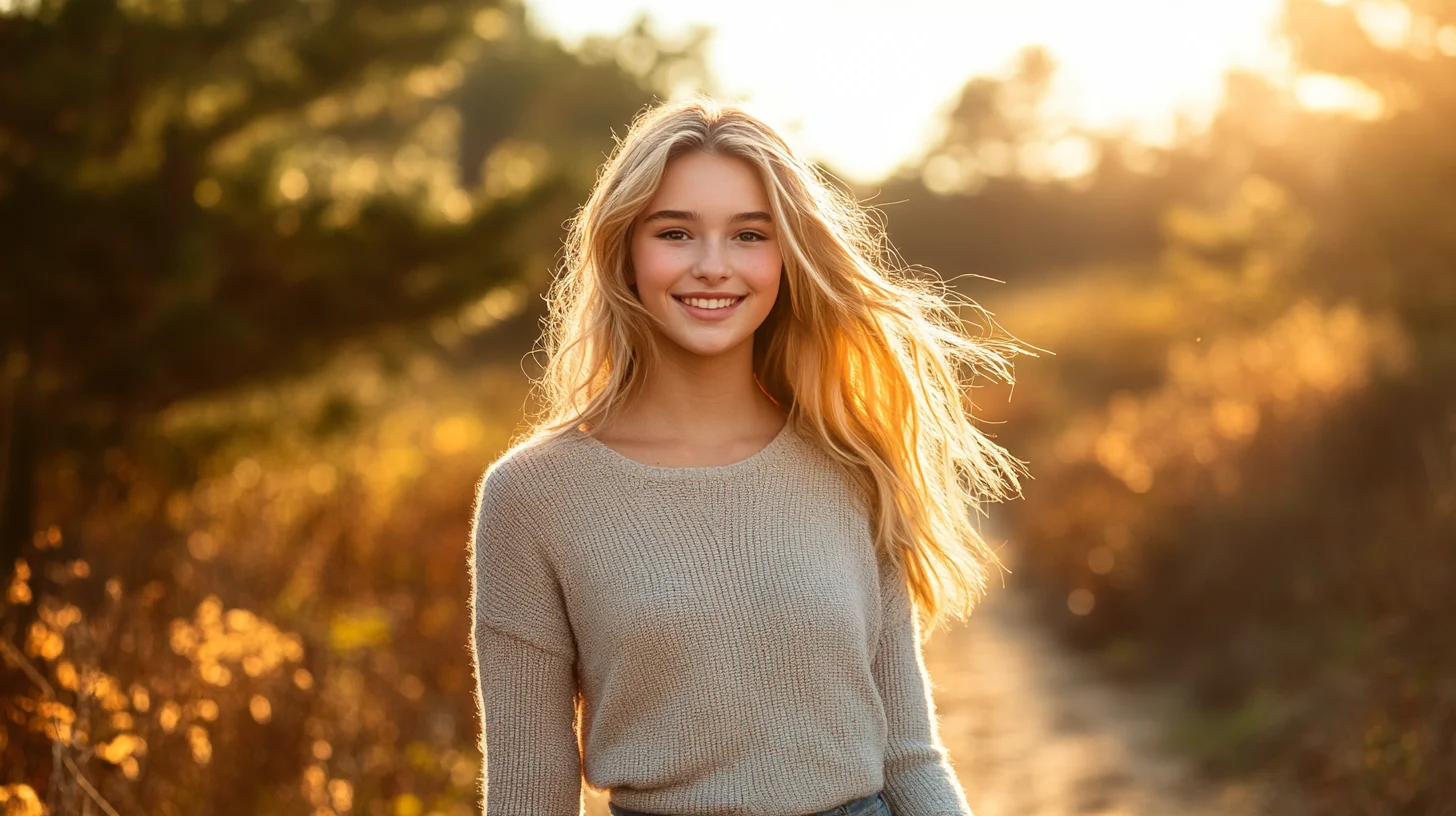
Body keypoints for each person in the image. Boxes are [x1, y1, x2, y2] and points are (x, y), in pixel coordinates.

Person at [468, 98, 1028, 816]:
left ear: (786, 256)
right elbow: (528, 799)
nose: (713, 267)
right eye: (675, 233)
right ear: (625, 252)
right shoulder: (532, 496)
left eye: (749, 236)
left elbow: (909, 757)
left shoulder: (851, 461)